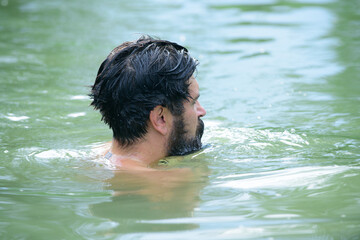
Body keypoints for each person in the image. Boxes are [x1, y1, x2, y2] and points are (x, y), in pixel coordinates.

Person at [90, 36, 206, 171]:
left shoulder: (99, 157)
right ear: (160, 118)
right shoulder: (171, 183)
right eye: (193, 103)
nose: (202, 111)